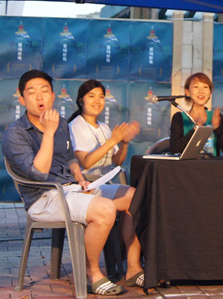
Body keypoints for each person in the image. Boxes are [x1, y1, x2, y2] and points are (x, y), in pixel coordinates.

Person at [2, 70, 126, 296]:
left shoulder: (60, 123)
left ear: (53, 96)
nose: (39, 97)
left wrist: (79, 176)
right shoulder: (16, 134)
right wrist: (48, 133)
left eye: (44, 91)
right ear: (22, 99)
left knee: (131, 195)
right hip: (43, 198)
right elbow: (39, 174)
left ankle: (135, 267)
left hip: (71, 188)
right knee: (105, 209)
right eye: (32, 92)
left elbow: (69, 158)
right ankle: (92, 273)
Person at [67, 79, 145, 289]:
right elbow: (85, 162)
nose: (97, 101)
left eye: (101, 97)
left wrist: (124, 142)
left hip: (101, 185)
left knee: (135, 197)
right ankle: (93, 272)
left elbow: (116, 161)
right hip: (81, 188)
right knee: (114, 205)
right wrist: (113, 141)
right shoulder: (76, 126)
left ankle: (133, 267)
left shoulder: (103, 126)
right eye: (91, 96)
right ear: (81, 100)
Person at [169, 72, 223, 156]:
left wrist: (217, 129)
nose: (201, 91)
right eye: (196, 87)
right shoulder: (179, 117)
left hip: (212, 163)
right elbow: (174, 150)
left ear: (210, 92)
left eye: (205, 87)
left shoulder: (216, 116)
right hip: (187, 164)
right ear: (187, 92)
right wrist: (195, 131)